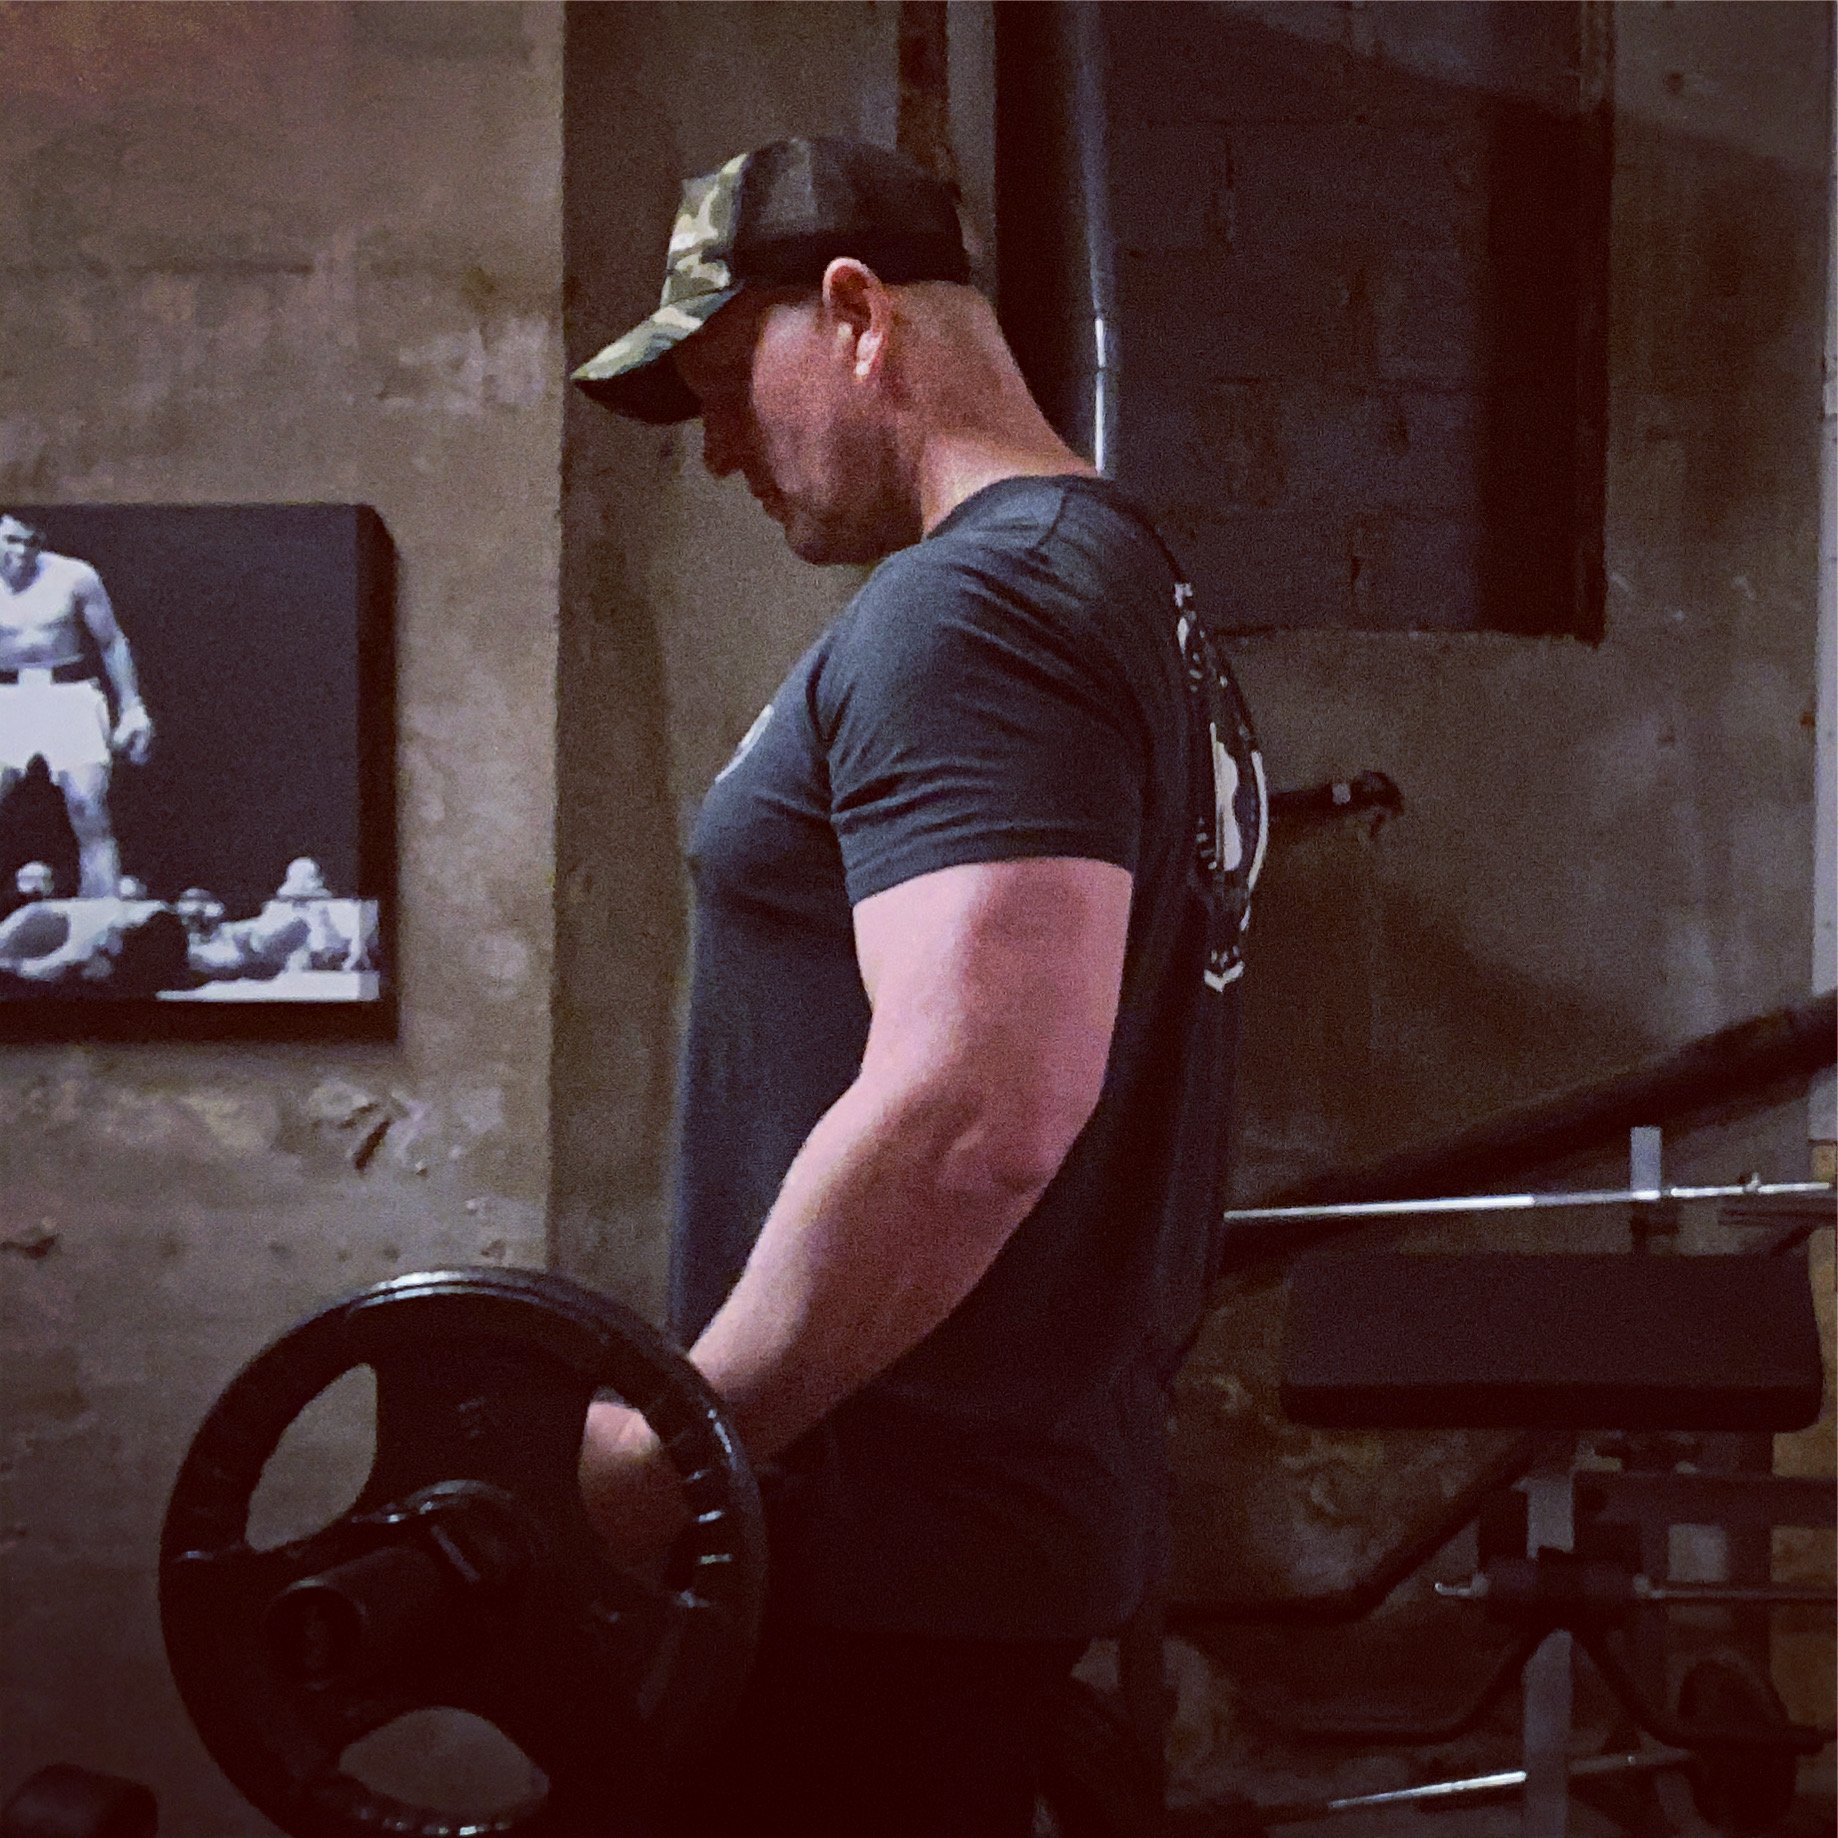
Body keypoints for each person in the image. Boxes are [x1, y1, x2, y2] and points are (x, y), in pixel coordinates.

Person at [571, 136, 1267, 1836]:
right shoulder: (1117, 583)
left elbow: (975, 1113)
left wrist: (682, 1435)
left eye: (733, 384)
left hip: (886, 1553)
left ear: (857, 313)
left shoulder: (980, 612)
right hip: (976, 1534)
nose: (722, 448)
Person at [0, 514, 153, 899]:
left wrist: (133, 706)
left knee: (88, 806)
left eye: (31, 542)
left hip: (67, 696)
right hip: (7, 697)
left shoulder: (74, 576)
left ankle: (100, 923)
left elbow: (111, 641)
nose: (22, 552)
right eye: (12, 541)